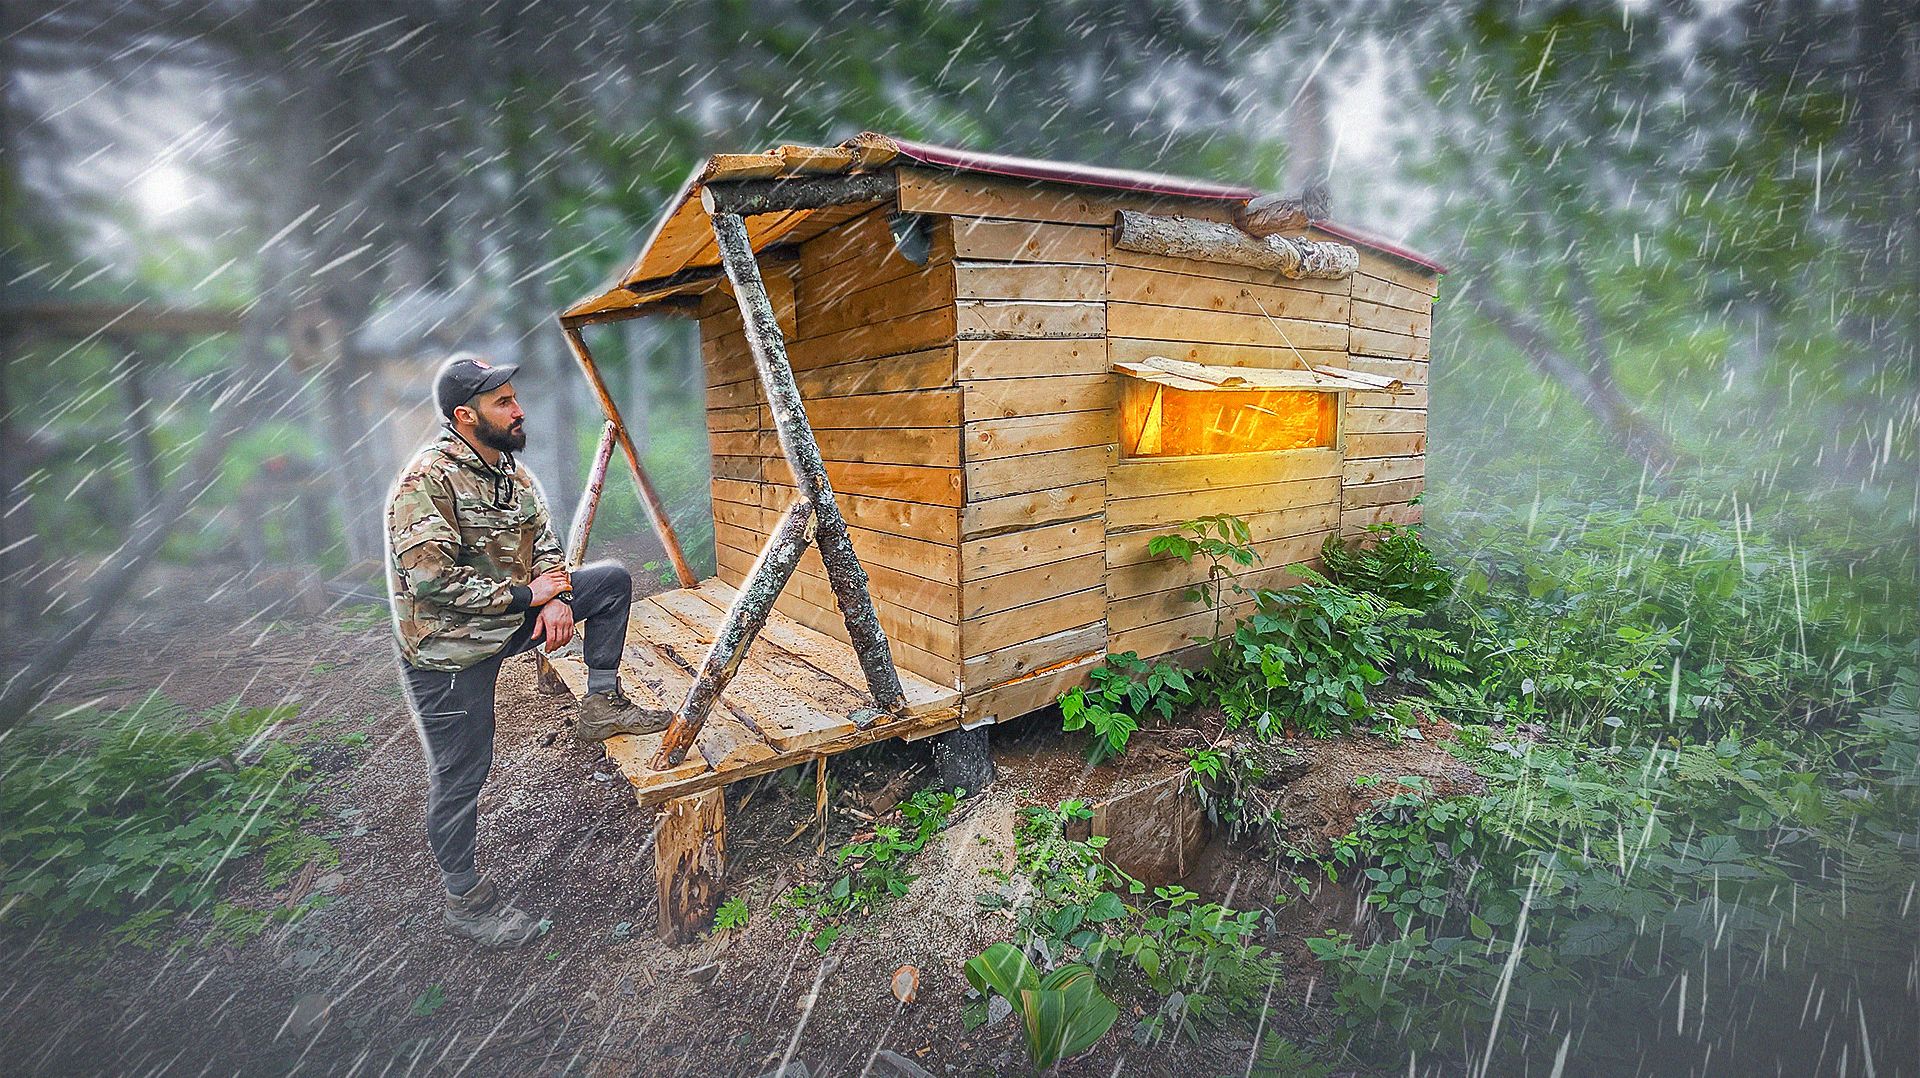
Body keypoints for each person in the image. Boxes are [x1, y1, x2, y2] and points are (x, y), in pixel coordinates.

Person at [385, 353, 671, 947]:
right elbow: (429, 580)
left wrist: (556, 596)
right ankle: (464, 897)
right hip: (448, 649)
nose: (519, 410)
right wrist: (526, 594)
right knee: (463, 771)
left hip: (512, 615)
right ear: (466, 416)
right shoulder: (426, 481)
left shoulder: (510, 471)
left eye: (515, 398)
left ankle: (600, 705)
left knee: (612, 580)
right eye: (503, 403)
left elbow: (543, 542)